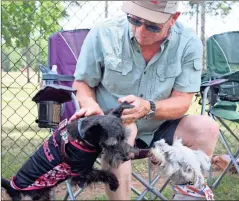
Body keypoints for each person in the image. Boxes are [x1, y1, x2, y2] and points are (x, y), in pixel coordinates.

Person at [70, 1, 219, 200]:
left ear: (173, 18)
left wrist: (149, 107)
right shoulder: (103, 33)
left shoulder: (189, 43)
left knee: (206, 127)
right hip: (109, 127)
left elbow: (182, 101)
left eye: (152, 26)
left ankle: (188, 195)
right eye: (134, 19)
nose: (140, 31)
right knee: (126, 129)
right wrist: (90, 105)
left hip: (160, 126)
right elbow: (82, 84)